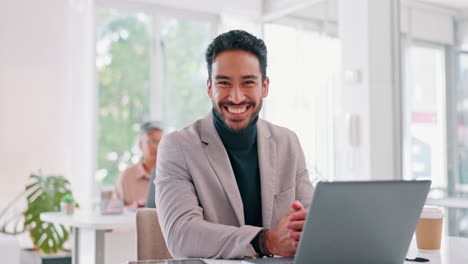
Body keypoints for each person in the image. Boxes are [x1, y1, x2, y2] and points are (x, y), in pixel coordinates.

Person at [155, 30, 314, 259]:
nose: (236, 97)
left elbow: (310, 220)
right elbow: (182, 236)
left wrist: (306, 226)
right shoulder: (178, 147)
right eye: (224, 83)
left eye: (248, 82)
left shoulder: (287, 142)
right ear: (210, 88)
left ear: (265, 87)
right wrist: (266, 241)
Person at [114, 121, 163, 207]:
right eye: (151, 141)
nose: (156, 146)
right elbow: (114, 211)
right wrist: (133, 207)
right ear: (140, 145)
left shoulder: (172, 174)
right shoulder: (126, 176)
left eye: (160, 142)